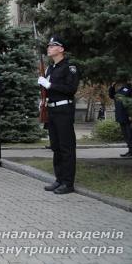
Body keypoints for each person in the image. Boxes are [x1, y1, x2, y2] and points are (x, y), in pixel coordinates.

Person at [38, 35, 79, 194]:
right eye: (48, 45)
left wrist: (49, 84)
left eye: (52, 45)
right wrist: (43, 96)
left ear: (61, 49)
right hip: (52, 111)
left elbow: (70, 89)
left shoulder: (70, 67)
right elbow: (48, 91)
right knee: (56, 147)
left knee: (66, 147)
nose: (48, 47)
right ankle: (59, 179)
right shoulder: (50, 68)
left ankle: (68, 183)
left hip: (64, 111)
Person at [109, 81, 132, 157]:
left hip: (128, 117)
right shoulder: (121, 89)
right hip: (121, 116)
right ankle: (130, 150)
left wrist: (131, 114)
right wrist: (112, 87)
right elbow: (112, 96)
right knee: (126, 135)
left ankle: (131, 151)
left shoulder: (131, 89)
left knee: (131, 135)